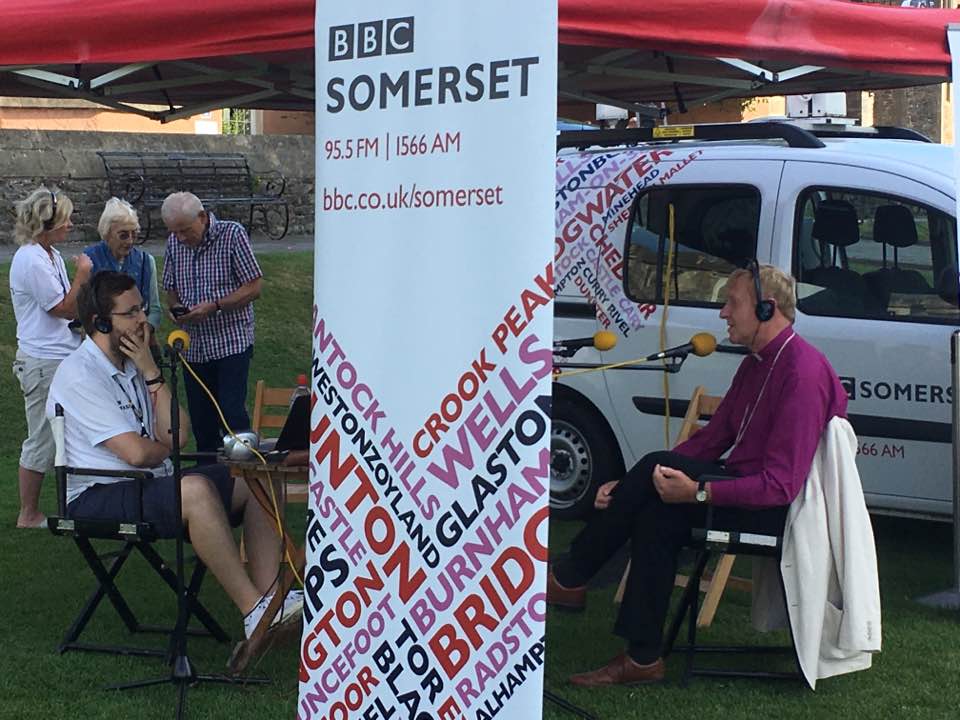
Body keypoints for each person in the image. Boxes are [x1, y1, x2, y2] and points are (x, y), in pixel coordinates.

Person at [547, 264, 848, 686]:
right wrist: (634, 486)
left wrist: (699, 493)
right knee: (656, 511)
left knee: (657, 481)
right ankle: (643, 658)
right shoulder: (757, 364)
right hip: (743, 490)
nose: (723, 313)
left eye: (732, 302)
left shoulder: (802, 372)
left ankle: (571, 574)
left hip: (781, 512)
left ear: (767, 308)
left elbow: (780, 487)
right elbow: (709, 443)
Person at [46, 271, 299, 638]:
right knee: (193, 489)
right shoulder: (79, 374)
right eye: (131, 313)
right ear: (100, 322)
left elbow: (177, 435)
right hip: (97, 493)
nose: (143, 321)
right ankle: (253, 611)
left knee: (256, 471)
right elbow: (135, 453)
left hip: (150, 481)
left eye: (143, 310)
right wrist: (164, 450)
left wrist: (151, 373)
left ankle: (273, 601)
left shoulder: (134, 363)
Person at [9, 186, 92, 528]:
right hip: (44, 363)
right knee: (42, 436)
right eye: (65, 219)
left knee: (71, 432)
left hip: (60, 358)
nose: (71, 225)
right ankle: (28, 514)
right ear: (48, 223)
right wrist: (84, 274)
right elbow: (62, 308)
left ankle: (78, 500)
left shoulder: (50, 254)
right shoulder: (30, 260)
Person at [160, 192, 263, 452]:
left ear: (203, 217)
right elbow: (170, 288)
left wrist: (216, 306)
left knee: (231, 414)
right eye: (175, 232)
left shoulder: (232, 235)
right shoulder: (174, 242)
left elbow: (253, 287)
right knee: (202, 421)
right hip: (194, 346)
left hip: (231, 341)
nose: (181, 238)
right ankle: (208, 479)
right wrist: (175, 309)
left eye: (185, 230)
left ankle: (240, 477)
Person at [84, 197, 162, 330]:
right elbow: (84, 311)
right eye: (123, 235)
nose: (130, 241)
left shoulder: (146, 262)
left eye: (134, 234)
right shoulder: (89, 260)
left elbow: (155, 309)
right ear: (107, 234)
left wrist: (146, 329)